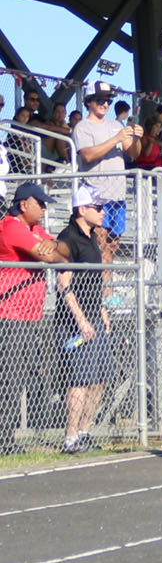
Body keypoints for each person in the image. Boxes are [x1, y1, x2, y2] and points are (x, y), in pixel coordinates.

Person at [0, 183, 68, 454]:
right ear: (24, 203)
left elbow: (63, 251)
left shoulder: (33, 229)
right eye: (39, 203)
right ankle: (4, 439)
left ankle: (8, 436)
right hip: (10, 315)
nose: (43, 208)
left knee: (18, 380)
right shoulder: (12, 226)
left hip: (29, 315)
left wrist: (54, 249)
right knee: (9, 379)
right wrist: (52, 251)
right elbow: (50, 255)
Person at [55, 186, 117, 453]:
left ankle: (85, 430)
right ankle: (70, 438)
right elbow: (63, 284)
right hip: (74, 321)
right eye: (97, 208)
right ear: (82, 210)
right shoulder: (68, 238)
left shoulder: (92, 236)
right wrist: (81, 320)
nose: (102, 212)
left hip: (94, 315)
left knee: (98, 379)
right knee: (78, 381)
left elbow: (96, 280)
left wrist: (101, 312)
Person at [72, 81, 143, 242]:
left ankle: (108, 269)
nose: (105, 104)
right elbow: (87, 155)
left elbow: (133, 153)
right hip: (96, 194)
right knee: (99, 242)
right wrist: (115, 139)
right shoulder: (83, 127)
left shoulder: (116, 125)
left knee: (113, 244)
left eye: (108, 101)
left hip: (117, 194)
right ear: (89, 101)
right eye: (100, 100)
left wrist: (137, 139)